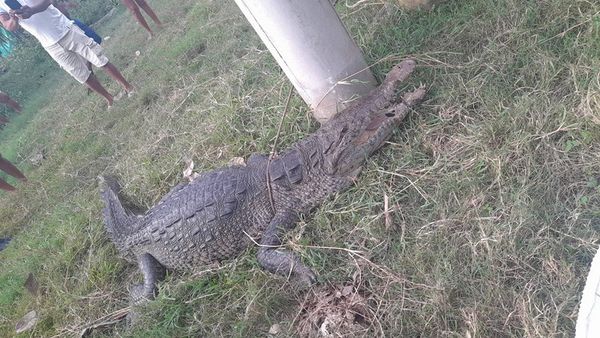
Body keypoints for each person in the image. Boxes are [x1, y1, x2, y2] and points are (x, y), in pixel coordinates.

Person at [0, 1, 135, 108]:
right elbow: (8, 26)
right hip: (50, 45)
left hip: (65, 29)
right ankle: (109, 99)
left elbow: (47, 1)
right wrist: (14, 18)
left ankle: (128, 87)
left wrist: (32, 10)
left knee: (99, 59)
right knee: (82, 75)